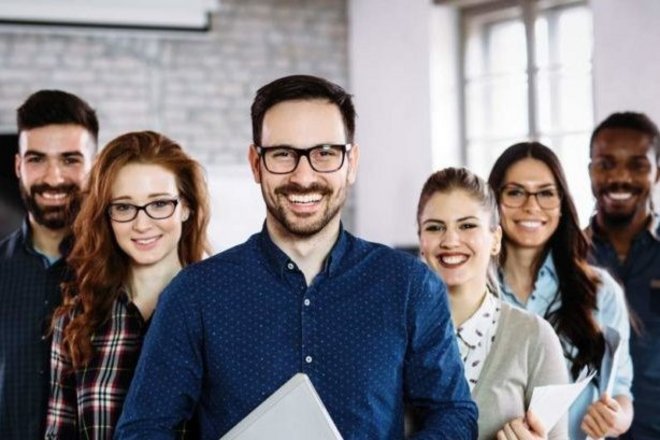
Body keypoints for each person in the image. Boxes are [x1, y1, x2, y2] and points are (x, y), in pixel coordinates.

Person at [116, 74, 478, 439]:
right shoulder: (195, 294)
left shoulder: (409, 287)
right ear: (256, 163)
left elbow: (453, 414)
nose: (303, 176)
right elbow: (143, 429)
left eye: (324, 153)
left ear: (351, 163)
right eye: (283, 155)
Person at [44, 131, 210, 439]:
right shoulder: (76, 322)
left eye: (159, 204)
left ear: (186, 207)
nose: (142, 224)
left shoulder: (220, 312)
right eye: (123, 207)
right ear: (105, 216)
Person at [488, 142, 634, 440]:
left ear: (562, 203)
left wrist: (613, 418)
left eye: (546, 193)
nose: (532, 206)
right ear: (493, 202)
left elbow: (621, 393)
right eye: (515, 192)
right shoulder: (473, 292)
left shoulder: (601, 291)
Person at [417, 167, 568, 440]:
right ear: (421, 242)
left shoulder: (534, 338)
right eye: (435, 227)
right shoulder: (394, 334)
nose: (450, 240)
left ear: (495, 239)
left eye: (467, 225)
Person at [0, 90, 97, 439]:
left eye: (70, 160)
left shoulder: (122, 272)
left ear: (94, 165)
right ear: (18, 166)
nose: (53, 178)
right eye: (37, 159)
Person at [587, 112, 660, 439]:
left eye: (637, 165)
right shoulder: (568, 259)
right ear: (590, 171)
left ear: (657, 172)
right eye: (605, 164)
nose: (619, 177)